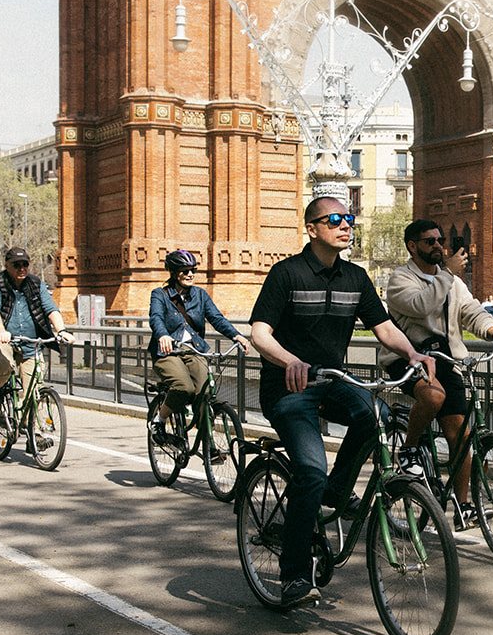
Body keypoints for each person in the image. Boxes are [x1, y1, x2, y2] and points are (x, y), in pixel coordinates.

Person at [249, 197, 434, 610]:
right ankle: (295, 574)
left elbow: (384, 327)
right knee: (310, 469)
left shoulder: (355, 276)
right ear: (312, 229)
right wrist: (290, 360)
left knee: (376, 416)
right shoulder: (286, 274)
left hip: (333, 380)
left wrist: (413, 355)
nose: (345, 225)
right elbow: (259, 334)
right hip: (288, 387)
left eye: (348, 219)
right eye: (334, 220)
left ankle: (337, 490)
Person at [379, 220, 493, 527]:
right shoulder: (401, 279)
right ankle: (410, 448)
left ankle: (463, 505)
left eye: (441, 240)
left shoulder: (451, 280)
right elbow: (421, 306)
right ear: (413, 247)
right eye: (430, 241)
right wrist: (449, 273)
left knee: (461, 434)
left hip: (445, 358)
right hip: (408, 355)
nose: (439, 246)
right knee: (432, 395)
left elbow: (470, 310)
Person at [147, 249, 251, 443]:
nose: (190, 274)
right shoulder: (159, 295)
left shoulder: (200, 295)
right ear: (174, 273)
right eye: (185, 270)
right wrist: (162, 335)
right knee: (183, 387)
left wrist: (236, 335)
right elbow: (156, 318)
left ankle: (208, 446)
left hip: (194, 349)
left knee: (205, 393)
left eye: (193, 270)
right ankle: (159, 420)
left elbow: (216, 318)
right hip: (167, 351)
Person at [0, 247, 74, 415]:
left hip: (31, 342)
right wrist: (1, 331)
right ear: (7, 265)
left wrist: (62, 331)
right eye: (16, 265)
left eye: (25, 264)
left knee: (35, 387)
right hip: (4, 340)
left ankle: (36, 435)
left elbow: (50, 308)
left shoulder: (35, 284)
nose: (21, 268)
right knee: (3, 365)